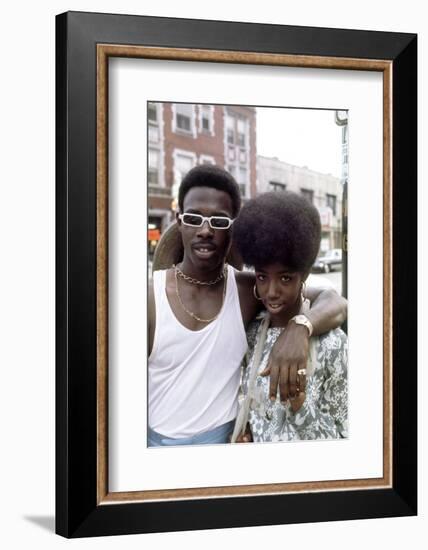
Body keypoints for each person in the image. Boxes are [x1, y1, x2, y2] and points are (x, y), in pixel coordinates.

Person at [148, 165, 347, 446]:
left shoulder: (247, 290)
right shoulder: (148, 296)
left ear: (233, 229)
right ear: (180, 221)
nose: (205, 230)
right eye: (194, 218)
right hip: (158, 445)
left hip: (227, 444)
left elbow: (334, 301)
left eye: (219, 221)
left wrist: (300, 327)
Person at [231, 191, 348, 444]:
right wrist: (249, 430)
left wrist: (300, 406)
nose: (271, 292)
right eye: (262, 277)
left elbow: (345, 440)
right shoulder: (252, 332)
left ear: (303, 275)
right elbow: (254, 404)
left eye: (285, 278)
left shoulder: (333, 343)